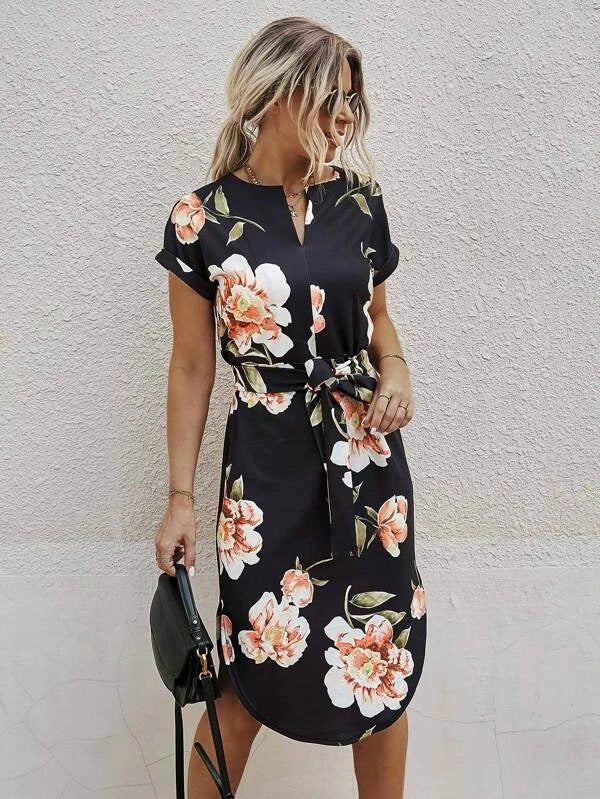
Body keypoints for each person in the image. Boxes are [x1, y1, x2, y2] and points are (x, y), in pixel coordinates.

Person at [153, 16, 427, 799]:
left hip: (367, 468)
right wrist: (180, 498)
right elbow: (192, 365)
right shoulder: (201, 218)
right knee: (246, 679)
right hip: (265, 478)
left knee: (382, 668)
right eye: (331, 98)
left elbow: (378, 319)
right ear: (279, 95)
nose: (345, 117)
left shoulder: (361, 201)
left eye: (352, 101)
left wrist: (396, 367)